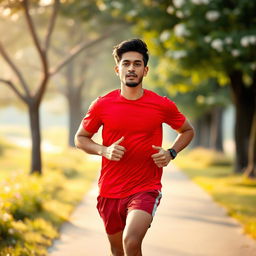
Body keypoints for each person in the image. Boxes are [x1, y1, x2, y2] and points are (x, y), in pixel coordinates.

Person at [74, 38, 194, 256]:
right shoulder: (102, 105)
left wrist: (171, 152)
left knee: (131, 241)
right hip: (110, 190)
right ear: (117, 69)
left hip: (145, 187)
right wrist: (104, 150)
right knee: (118, 250)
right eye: (126, 63)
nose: (131, 68)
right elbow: (81, 138)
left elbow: (187, 130)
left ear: (145, 70)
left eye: (137, 64)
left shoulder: (161, 104)